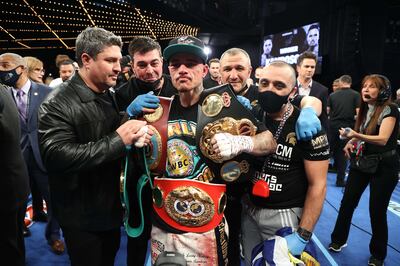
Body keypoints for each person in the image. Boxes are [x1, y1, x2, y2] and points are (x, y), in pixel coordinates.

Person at [145, 35, 277, 265]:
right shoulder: (158, 109)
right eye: (176, 64)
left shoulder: (223, 106)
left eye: (191, 63)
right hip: (164, 218)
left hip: (208, 221)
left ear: (205, 70)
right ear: (169, 70)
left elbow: (269, 141)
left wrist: (243, 142)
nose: (183, 69)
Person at [38, 27, 150, 266]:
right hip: (82, 216)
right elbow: (56, 156)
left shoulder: (105, 92)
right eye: (110, 60)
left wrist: (131, 135)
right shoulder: (57, 103)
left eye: (119, 60)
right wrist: (119, 139)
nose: (119, 68)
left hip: (108, 208)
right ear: (86, 60)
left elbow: (102, 131)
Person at [240, 61, 329, 265]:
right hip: (250, 209)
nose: (269, 90)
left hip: (285, 214)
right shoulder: (252, 114)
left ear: (293, 91)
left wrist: (303, 236)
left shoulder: (306, 125)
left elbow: (319, 185)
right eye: (264, 83)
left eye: (279, 85)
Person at [115, 36, 177, 266]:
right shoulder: (121, 93)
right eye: (142, 65)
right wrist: (127, 115)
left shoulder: (178, 84)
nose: (149, 70)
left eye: (154, 63)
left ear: (162, 61)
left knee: (174, 241)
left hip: (175, 176)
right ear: (132, 66)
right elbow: (111, 135)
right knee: (138, 240)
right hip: (138, 177)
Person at [329, 74, 399, 266]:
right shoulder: (367, 109)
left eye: (372, 87)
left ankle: (378, 255)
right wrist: (351, 141)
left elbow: (383, 138)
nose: (366, 90)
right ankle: (338, 239)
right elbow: (366, 133)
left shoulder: (390, 109)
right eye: (364, 86)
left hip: (385, 166)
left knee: (377, 211)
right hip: (363, 162)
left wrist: (354, 134)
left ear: (383, 91)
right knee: (347, 202)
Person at [0, 52, 65, 254]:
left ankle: (53, 236)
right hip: (15, 159)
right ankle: (20, 229)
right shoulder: (3, 93)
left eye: (5, 65)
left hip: (42, 154)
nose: (1, 70)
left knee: (52, 198)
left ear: (21, 68)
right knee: (17, 199)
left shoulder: (47, 92)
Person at [0, 83, 30, 266]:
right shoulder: (3, 89)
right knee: (13, 241)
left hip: (5, 186)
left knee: (8, 246)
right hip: (13, 180)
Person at [327, 75, 361, 187]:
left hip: (332, 126)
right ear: (350, 83)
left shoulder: (332, 95)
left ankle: (318, 179)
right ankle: (340, 180)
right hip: (347, 127)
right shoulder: (356, 95)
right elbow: (358, 113)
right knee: (343, 154)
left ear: (341, 83)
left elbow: (327, 111)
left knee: (326, 152)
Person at [296, 51, 329, 131]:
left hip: (313, 134)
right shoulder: (289, 87)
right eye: (306, 66)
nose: (310, 70)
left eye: (312, 67)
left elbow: (323, 118)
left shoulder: (322, 90)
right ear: (298, 68)